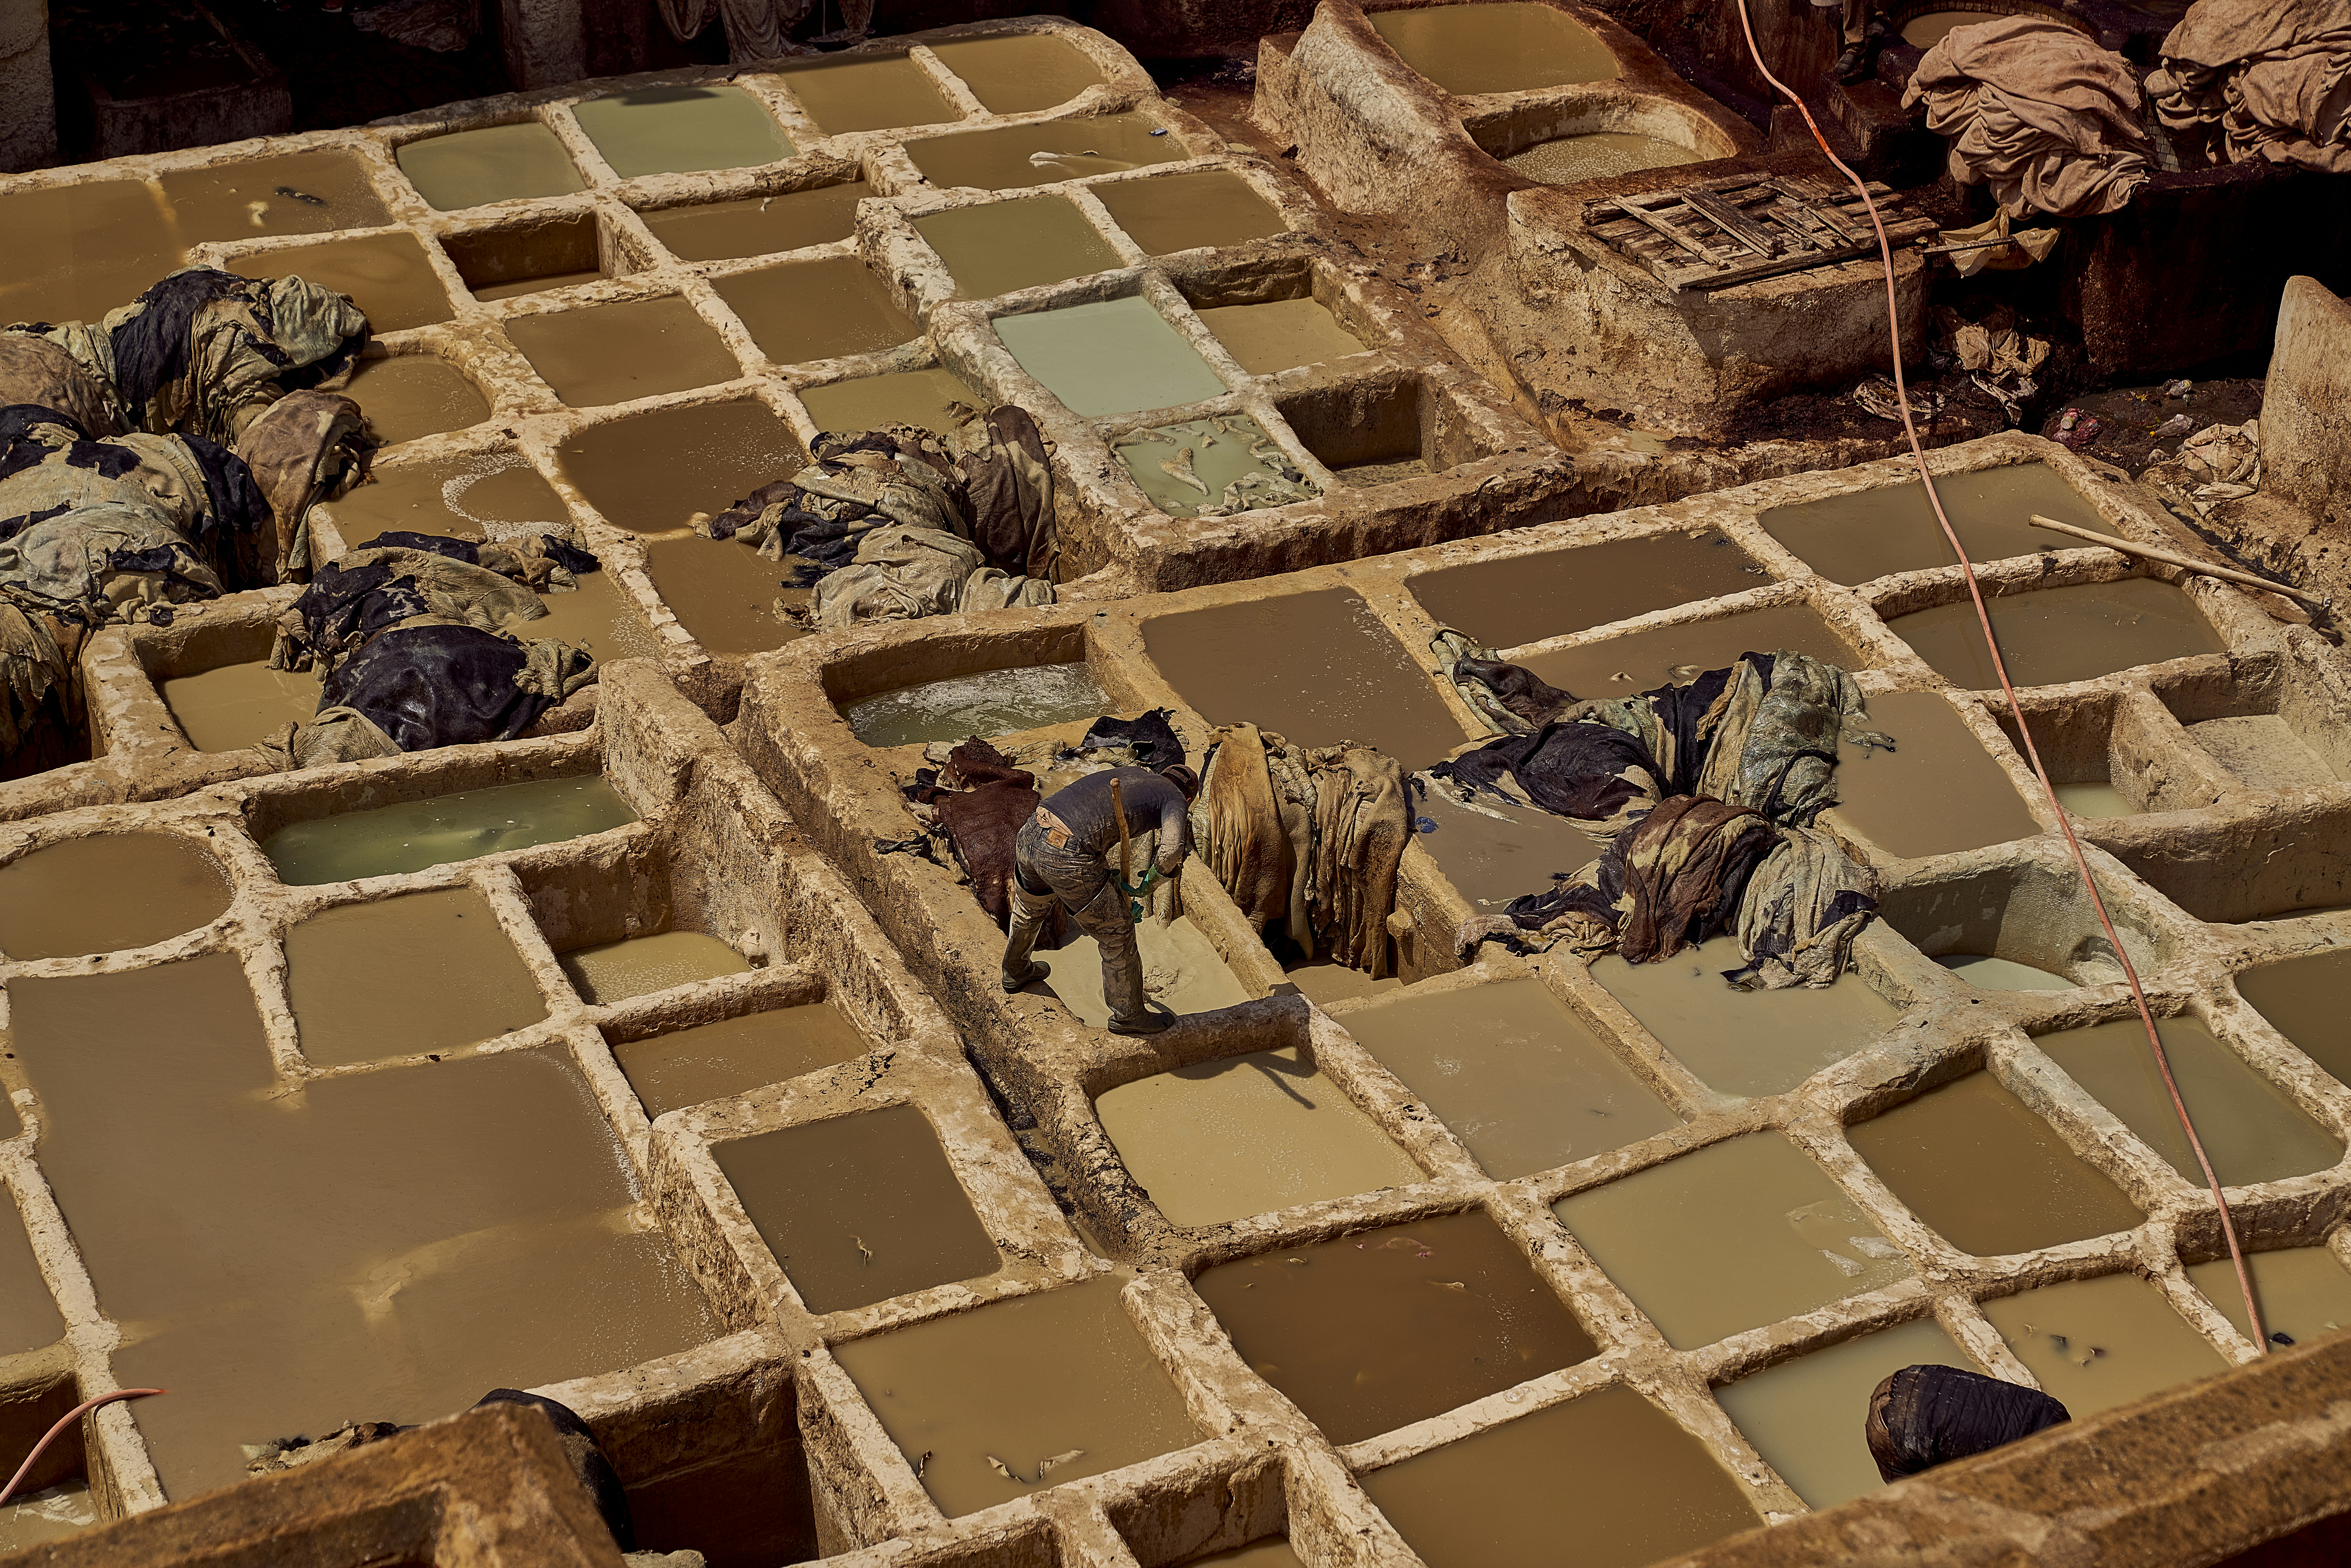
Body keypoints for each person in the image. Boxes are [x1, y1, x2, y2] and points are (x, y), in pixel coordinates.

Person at [1001, 762, 1201, 1035]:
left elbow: (1091, 821)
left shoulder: (1133, 773)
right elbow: (1172, 850)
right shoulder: (1175, 798)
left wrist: (1110, 880)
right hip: (1067, 854)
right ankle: (1129, 1017)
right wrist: (1150, 884)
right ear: (1189, 799)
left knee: (1029, 909)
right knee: (1117, 934)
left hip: (1032, 831)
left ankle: (1016, 970)